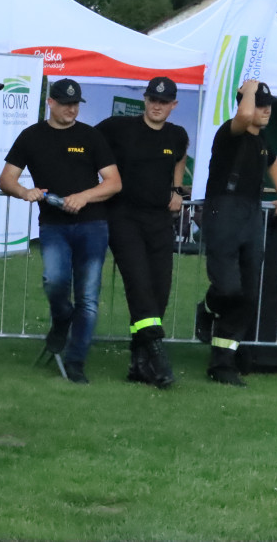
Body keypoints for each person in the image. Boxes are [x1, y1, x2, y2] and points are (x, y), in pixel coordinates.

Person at [0, 78, 121, 384]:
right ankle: (62, 316)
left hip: (93, 224)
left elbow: (113, 182)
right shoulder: (31, 136)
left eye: (76, 104)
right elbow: (6, 179)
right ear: (50, 103)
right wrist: (24, 192)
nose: (71, 109)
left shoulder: (91, 136)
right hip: (53, 225)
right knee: (54, 281)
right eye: (66, 103)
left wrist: (85, 196)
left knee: (88, 297)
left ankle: (76, 360)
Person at [96, 77, 188, 389]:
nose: (157, 105)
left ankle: (138, 362)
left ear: (173, 105)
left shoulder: (177, 135)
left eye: (164, 101)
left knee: (160, 288)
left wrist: (176, 188)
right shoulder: (118, 127)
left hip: (160, 220)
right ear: (145, 100)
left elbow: (180, 157)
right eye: (153, 99)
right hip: (123, 216)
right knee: (138, 284)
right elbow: (91, 146)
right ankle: (157, 353)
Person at [196, 80, 277, 386]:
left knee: (248, 295)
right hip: (224, 212)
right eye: (260, 104)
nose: (265, 110)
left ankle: (223, 363)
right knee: (229, 288)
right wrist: (247, 90)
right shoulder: (230, 132)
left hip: (250, 217)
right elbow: (244, 117)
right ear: (245, 104)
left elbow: (275, 165)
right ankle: (207, 307)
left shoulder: (263, 142)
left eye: (268, 105)